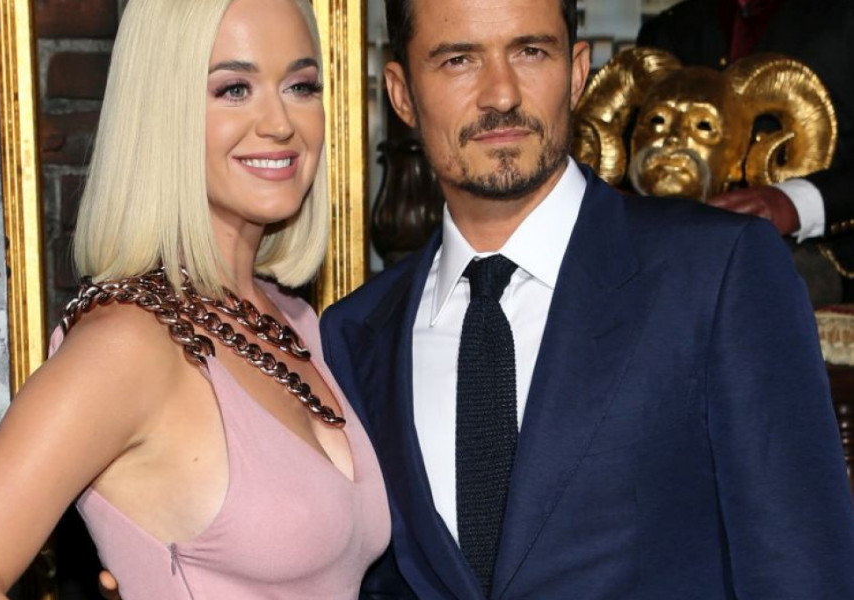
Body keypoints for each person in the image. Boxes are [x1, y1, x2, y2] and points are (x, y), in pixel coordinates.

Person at [319, 0, 854, 598]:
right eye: (459, 60)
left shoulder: (718, 272)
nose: (501, 94)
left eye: (530, 52)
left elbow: (801, 569)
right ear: (401, 93)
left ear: (577, 72)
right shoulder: (357, 334)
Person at [0, 0, 389, 598]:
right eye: (234, 89)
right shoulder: (126, 344)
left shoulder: (295, 320)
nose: (280, 123)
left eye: (300, 85)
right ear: (162, 109)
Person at [637, 0, 854, 276]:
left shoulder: (844, 14)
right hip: (684, 260)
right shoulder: (671, 27)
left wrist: (796, 203)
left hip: (826, 268)